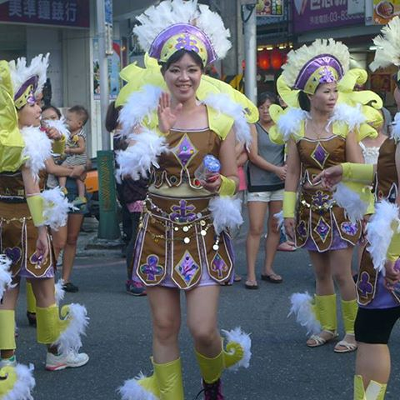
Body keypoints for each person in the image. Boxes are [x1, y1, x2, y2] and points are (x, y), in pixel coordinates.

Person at [116, 2, 252, 399]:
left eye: (192, 69)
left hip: (203, 230)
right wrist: (160, 133)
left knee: (203, 329)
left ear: (203, 72)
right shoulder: (146, 116)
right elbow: (130, 171)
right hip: (157, 229)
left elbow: (233, 181)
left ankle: (211, 383)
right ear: (163, 72)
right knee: (164, 326)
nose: (184, 77)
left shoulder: (221, 120)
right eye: (175, 69)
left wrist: (219, 183)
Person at [274, 39, 377, 353]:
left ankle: (354, 332)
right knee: (320, 273)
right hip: (308, 209)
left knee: (342, 273)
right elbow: (292, 173)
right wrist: (288, 212)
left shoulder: (347, 125)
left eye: (334, 91)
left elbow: (360, 171)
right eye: (326, 91)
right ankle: (328, 328)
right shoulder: (295, 128)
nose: (332, 96)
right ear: (310, 95)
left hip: (341, 208)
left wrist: (366, 210)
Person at [317, 18, 400, 399]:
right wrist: (347, 170)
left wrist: (394, 254)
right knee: (372, 331)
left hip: (392, 251)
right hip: (388, 244)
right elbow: (388, 177)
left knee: (372, 332)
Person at [0, 54, 89, 397]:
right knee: (46, 291)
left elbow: (54, 151)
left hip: (2, 222)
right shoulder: (27, 142)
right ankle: (55, 354)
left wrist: (54, 137)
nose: (39, 109)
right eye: (33, 104)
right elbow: (33, 189)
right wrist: (42, 232)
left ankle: (6, 361)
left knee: (7, 292)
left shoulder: (8, 139)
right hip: (28, 223)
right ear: (16, 110)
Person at [106, 101, 147, 296]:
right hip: (134, 191)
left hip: (140, 189)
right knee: (137, 236)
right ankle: (134, 279)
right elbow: (128, 168)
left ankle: (143, 275)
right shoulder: (121, 136)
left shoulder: (133, 132)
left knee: (141, 235)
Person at [245, 92, 286, 289]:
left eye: (269, 107)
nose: (265, 111)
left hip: (279, 183)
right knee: (255, 228)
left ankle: (268, 268)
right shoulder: (253, 127)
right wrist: (276, 169)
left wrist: (286, 169)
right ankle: (251, 274)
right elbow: (253, 156)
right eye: (261, 107)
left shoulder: (282, 127)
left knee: (275, 227)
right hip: (258, 182)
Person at [59, 105, 89, 207]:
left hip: (78, 157)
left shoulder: (79, 136)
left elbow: (82, 149)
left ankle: (62, 187)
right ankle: (81, 196)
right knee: (79, 178)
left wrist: (69, 150)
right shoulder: (70, 133)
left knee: (62, 168)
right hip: (75, 157)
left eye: (69, 120)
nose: (66, 122)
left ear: (79, 123)